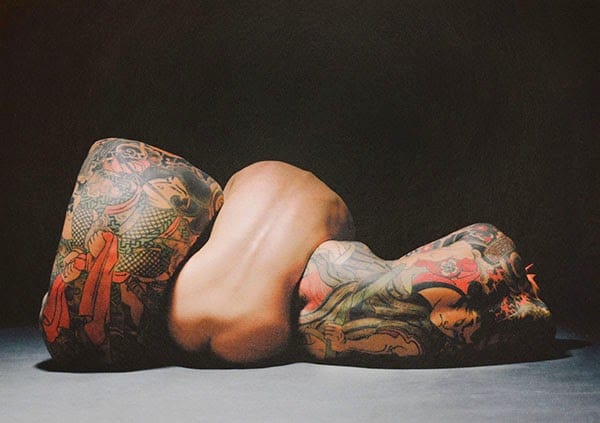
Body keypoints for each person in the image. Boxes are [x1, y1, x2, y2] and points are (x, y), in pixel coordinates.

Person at [39, 138, 553, 370]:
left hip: (181, 309)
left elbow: (197, 227)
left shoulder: (246, 178)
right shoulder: (336, 214)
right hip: (263, 334)